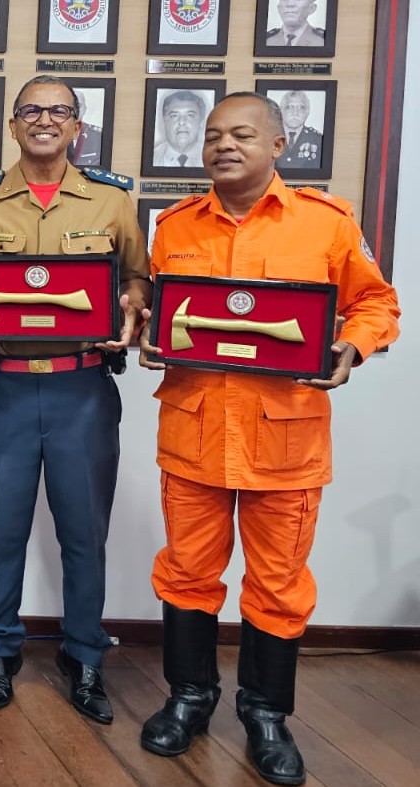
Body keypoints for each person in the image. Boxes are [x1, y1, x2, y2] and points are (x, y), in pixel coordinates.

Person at [136, 92, 399, 786]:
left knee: (278, 583)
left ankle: (266, 714)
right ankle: (189, 696)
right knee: (186, 574)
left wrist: (351, 346)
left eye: (242, 134)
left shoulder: (328, 224)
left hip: (286, 441)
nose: (224, 144)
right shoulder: (174, 226)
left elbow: (377, 303)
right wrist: (150, 339)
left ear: (279, 145)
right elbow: (162, 310)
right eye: (214, 135)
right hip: (193, 432)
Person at [0, 75, 149, 725]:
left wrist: (135, 301)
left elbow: (139, 275)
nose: (43, 120)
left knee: (84, 534)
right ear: (12, 125)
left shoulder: (112, 200)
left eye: (57, 111)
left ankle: (84, 655)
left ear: (75, 126)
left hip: (82, 388)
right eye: (31, 110)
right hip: (3, 386)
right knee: (3, 531)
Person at [151, 90, 207, 168]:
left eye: (190, 115)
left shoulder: (213, 157)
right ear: (164, 122)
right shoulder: (152, 157)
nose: (181, 122)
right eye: (174, 115)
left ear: (201, 123)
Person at [277, 91, 322, 170]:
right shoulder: (269, 137)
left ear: (307, 112)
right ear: (281, 111)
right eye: (290, 107)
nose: (295, 113)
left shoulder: (318, 140)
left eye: (301, 108)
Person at [67, 88, 104, 167]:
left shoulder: (99, 136)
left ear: (85, 109)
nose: (75, 109)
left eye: (78, 105)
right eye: (70, 105)